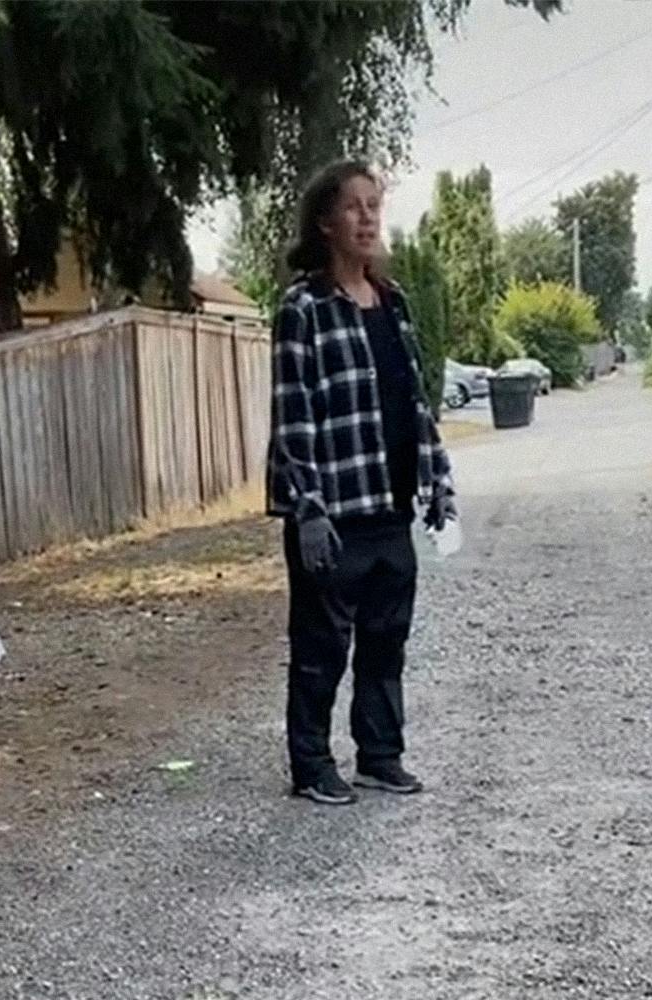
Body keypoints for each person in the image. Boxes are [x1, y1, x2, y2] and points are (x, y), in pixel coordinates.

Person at [267, 160, 457, 805]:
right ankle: (312, 764)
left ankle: (379, 754)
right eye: (353, 206)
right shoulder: (304, 308)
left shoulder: (393, 301)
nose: (368, 217)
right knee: (321, 648)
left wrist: (438, 480)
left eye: (375, 205)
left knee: (385, 641)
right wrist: (308, 508)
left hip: (388, 504)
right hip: (332, 512)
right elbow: (294, 414)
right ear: (325, 222)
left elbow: (415, 401)